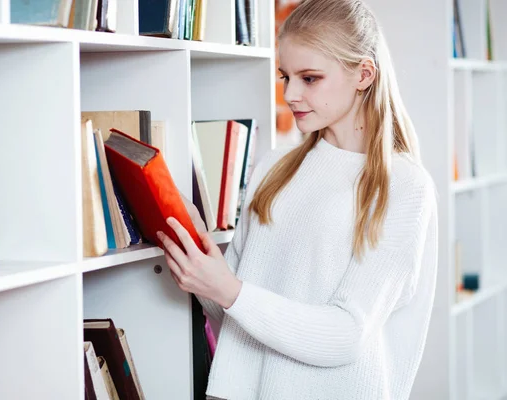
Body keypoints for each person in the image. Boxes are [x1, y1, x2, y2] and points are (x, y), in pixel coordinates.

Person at [156, 0, 439, 399]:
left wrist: (230, 290)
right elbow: (229, 310)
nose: (290, 94)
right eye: (284, 76)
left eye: (309, 78)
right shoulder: (273, 170)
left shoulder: (403, 186)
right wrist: (199, 252)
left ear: (364, 74)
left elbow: (346, 335)